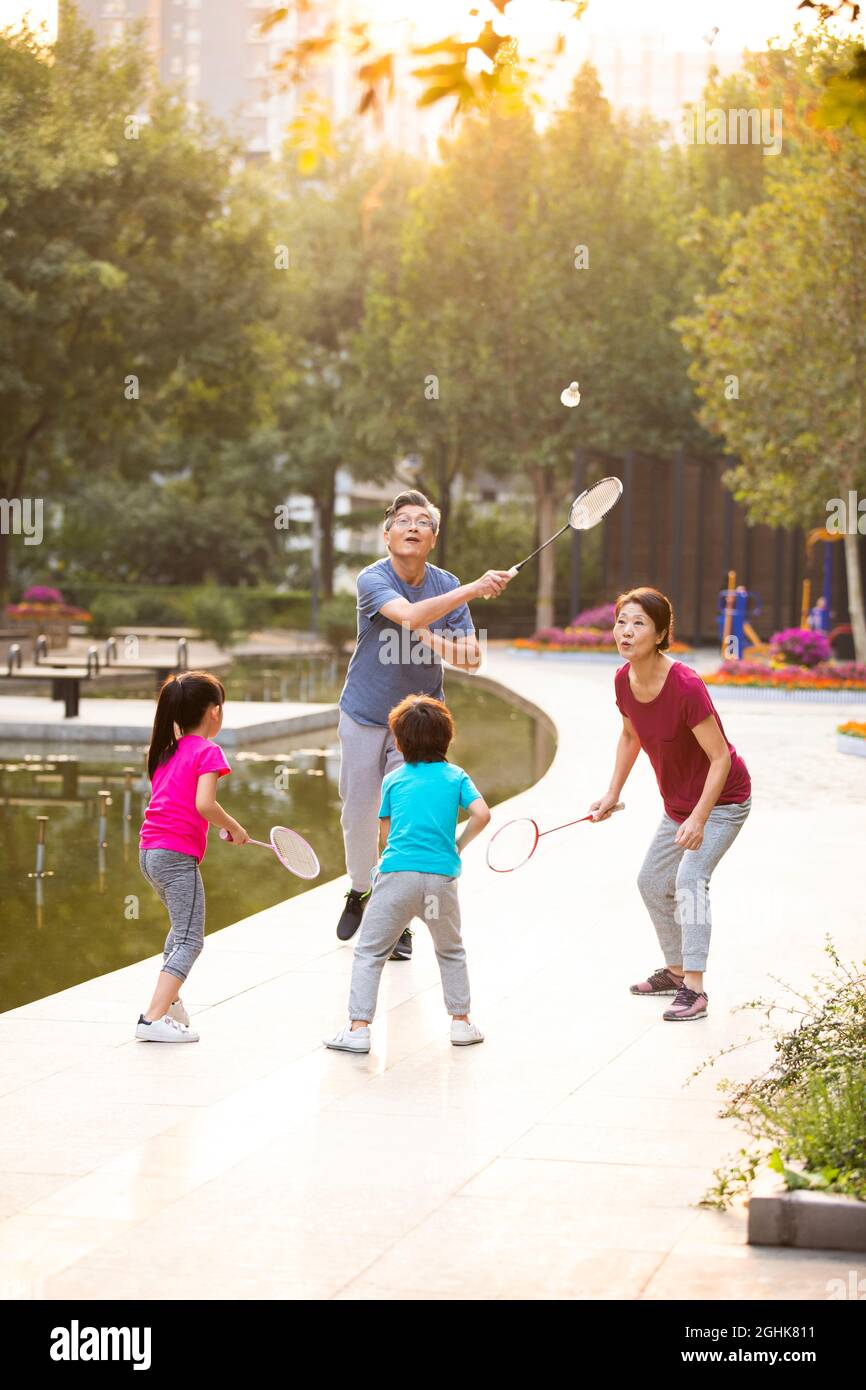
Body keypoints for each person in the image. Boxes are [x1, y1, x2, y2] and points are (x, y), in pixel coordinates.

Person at [335, 488, 511, 959]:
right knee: (358, 814)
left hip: (416, 724)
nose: (413, 527)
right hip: (363, 712)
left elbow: (472, 658)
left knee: (406, 821)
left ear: (433, 537)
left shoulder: (445, 584)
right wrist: (474, 588)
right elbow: (408, 613)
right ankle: (359, 889)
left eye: (424, 522)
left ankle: (396, 918)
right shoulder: (372, 578)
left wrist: (430, 638)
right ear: (387, 533)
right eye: (404, 520)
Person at [591, 588, 752, 1022]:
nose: (626, 630)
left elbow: (720, 758)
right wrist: (613, 793)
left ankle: (695, 989)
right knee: (650, 880)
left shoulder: (685, 685)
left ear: (661, 633)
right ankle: (677, 971)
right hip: (679, 803)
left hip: (723, 800)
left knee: (690, 879)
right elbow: (630, 736)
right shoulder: (624, 679)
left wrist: (699, 818)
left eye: (639, 622)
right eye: (621, 620)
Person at [325, 693, 490, 1053]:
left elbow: (384, 836)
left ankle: (358, 1029)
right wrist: (457, 847)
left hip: (398, 876)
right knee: (450, 951)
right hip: (440, 881)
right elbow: (482, 814)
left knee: (370, 953)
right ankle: (461, 1023)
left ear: (398, 742)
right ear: (448, 738)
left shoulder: (393, 781)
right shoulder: (456, 776)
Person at [136, 672, 249, 1042]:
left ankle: (170, 1003)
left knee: (179, 929)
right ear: (214, 712)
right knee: (191, 939)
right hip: (174, 855)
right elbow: (204, 803)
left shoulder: (167, 750)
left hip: (150, 853)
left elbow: (182, 804)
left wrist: (218, 825)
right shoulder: (207, 751)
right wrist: (234, 826)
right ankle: (152, 1018)